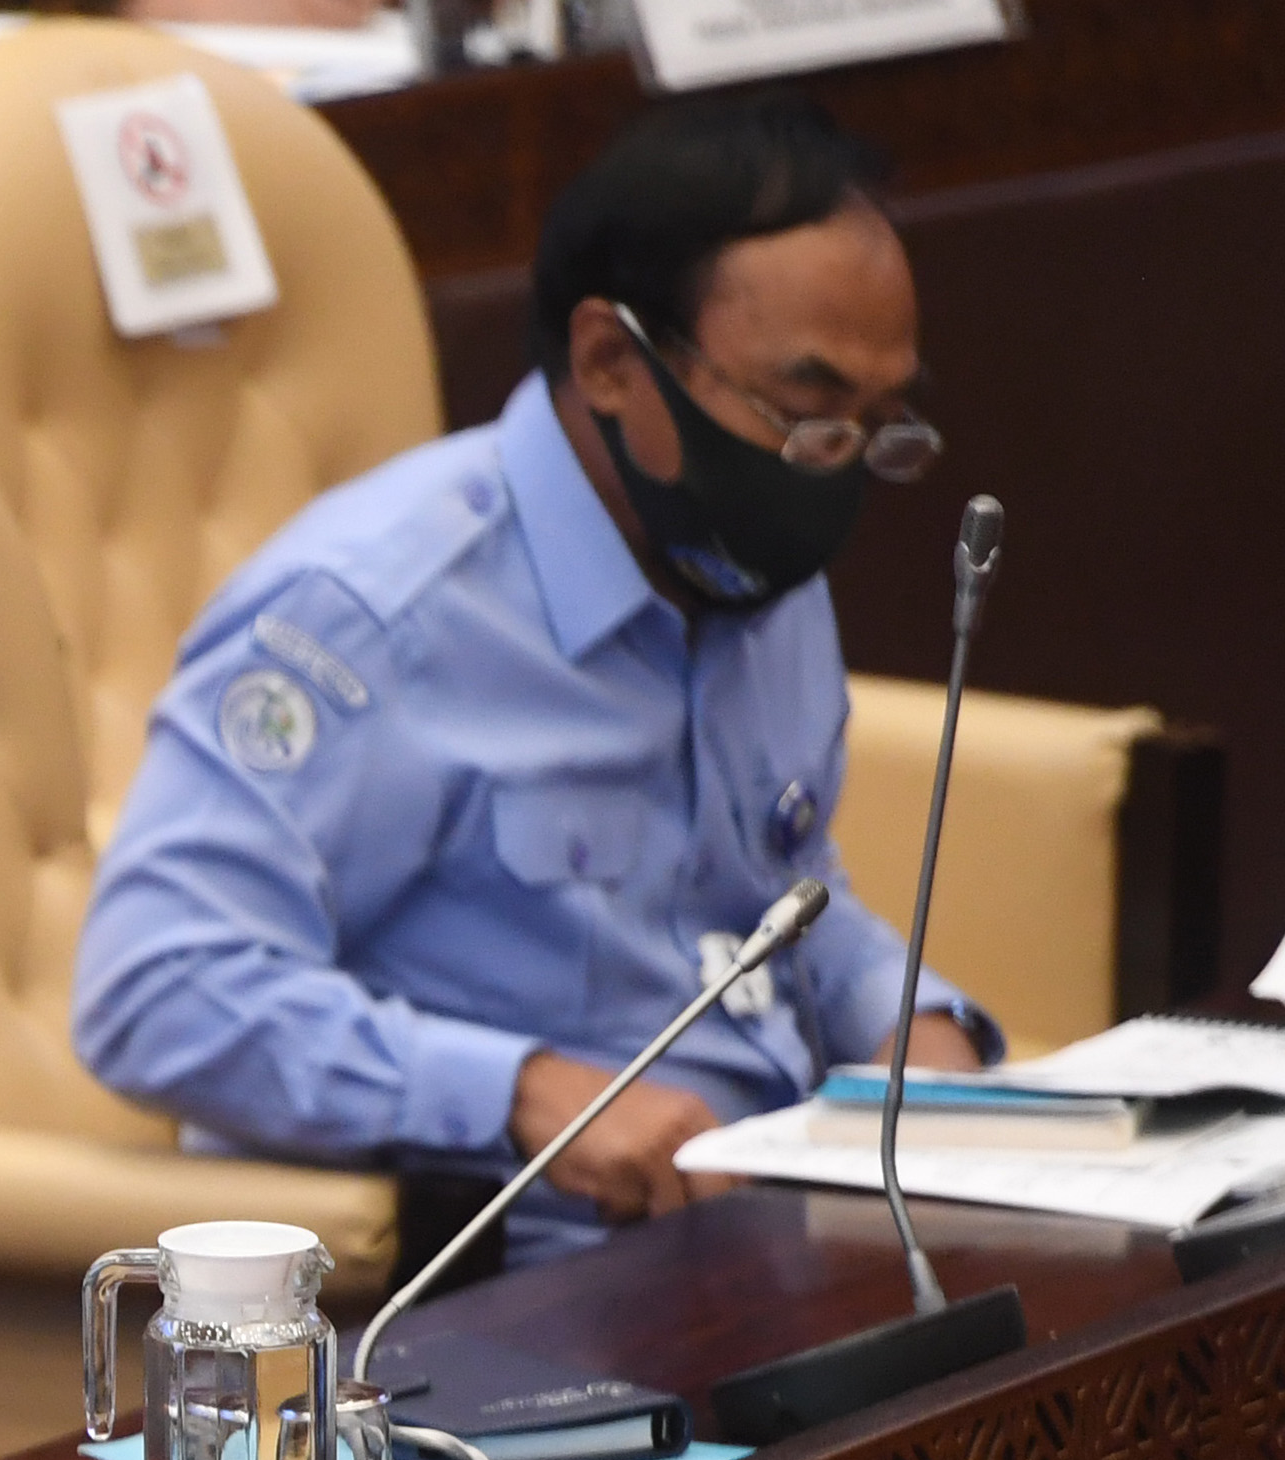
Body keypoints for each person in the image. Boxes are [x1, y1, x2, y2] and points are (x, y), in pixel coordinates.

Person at [72, 93, 996, 1264]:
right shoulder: (369, 617)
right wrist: (521, 1094)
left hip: (771, 1229)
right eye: (807, 420)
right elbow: (154, 987)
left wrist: (906, 1020)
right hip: (504, 1290)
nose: (837, 477)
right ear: (610, 361)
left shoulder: (750, 564)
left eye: (879, 430)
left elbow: (774, 893)